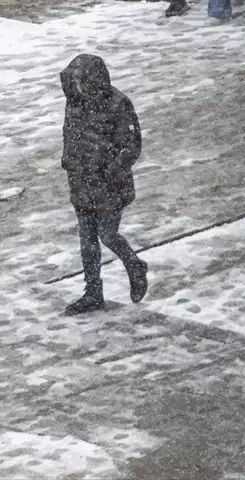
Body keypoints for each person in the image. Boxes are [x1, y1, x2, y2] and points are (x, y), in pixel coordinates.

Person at [60, 54, 148, 315]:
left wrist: (109, 171)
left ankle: (134, 264)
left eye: (82, 81)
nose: (77, 86)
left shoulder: (118, 104)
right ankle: (93, 292)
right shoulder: (74, 102)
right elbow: (70, 134)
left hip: (109, 184)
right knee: (87, 241)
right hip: (81, 181)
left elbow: (131, 146)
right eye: (73, 81)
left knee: (108, 234)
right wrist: (70, 161)